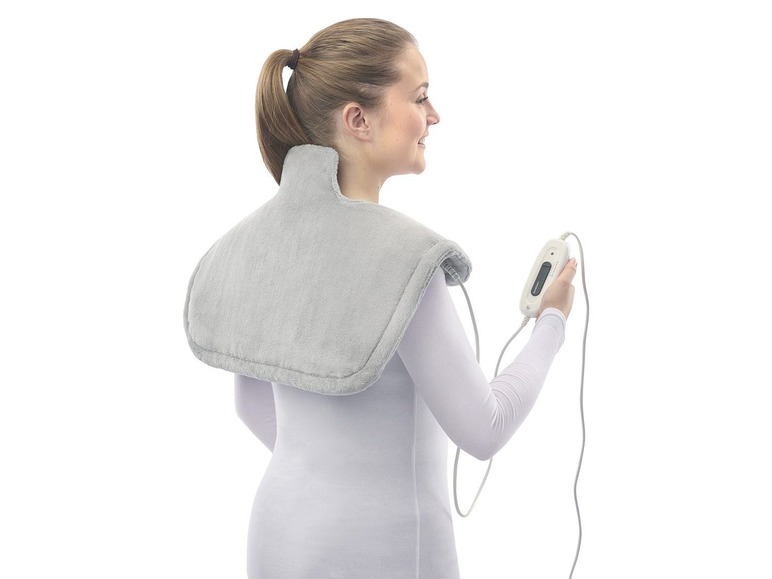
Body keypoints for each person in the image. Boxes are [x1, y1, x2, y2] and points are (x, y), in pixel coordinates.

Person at [226, 17, 576, 578]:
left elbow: (249, 405)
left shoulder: (257, 244)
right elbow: (484, 428)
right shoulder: (404, 261)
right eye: (419, 97)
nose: (433, 115)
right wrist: (552, 322)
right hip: (387, 551)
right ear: (358, 119)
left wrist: (334, 477)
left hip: (279, 536)